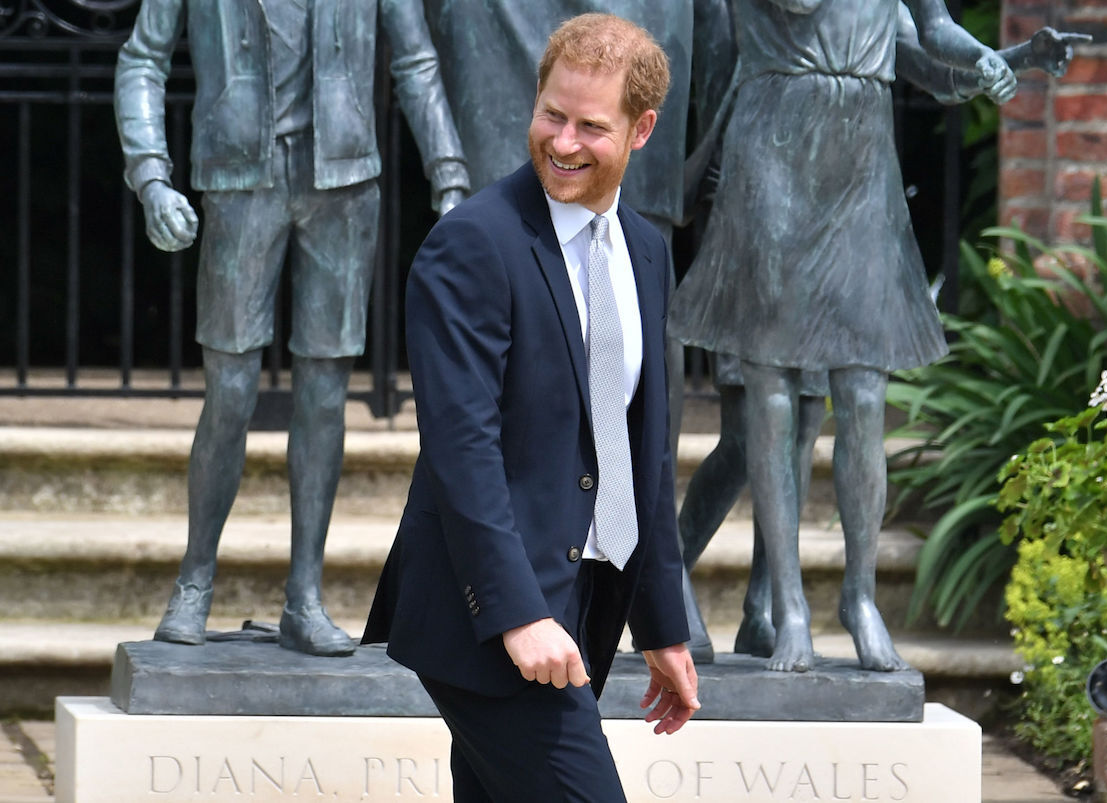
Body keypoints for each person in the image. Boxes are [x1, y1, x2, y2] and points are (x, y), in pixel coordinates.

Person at [675, 5, 1091, 659]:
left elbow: (931, 40)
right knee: (771, 387)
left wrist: (1003, 58)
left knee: (864, 392)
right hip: (773, 146)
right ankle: (788, 610)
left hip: (861, 163)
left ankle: (860, 598)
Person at [363, 14, 700, 800]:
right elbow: (462, 448)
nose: (563, 142)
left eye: (592, 126)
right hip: (488, 619)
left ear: (642, 129)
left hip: (579, 606)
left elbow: (639, 452)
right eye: (553, 114)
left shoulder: (647, 251)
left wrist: (662, 623)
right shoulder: (472, 243)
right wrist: (517, 614)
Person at [113, 0, 469, 656]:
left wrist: (448, 177)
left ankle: (304, 595)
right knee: (230, 392)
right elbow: (142, 59)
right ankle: (194, 581)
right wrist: (151, 176)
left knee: (325, 395)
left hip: (344, 182)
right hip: (241, 179)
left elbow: (417, 62)